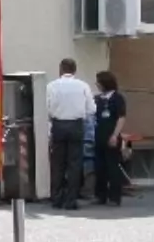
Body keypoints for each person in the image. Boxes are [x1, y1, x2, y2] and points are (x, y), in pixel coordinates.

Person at [45, 57, 95, 211]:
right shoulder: (83, 86)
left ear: (61, 69)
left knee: (57, 163)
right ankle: (71, 200)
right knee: (74, 164)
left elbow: (47, 107)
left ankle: (56, 198)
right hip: (76, 125)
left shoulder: (51, 86)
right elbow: (92, 109)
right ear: (75, 70)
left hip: (58, 125)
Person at [93, 70, 127, 207]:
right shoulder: (97, 99)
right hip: (99, 135)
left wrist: (115, 135)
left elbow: (121, 117)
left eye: (98, 82)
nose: (96, 84)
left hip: (111, 135)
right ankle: (100, 195)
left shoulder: (117, 98)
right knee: (99, 167)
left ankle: (115, 196)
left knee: (112, 166)